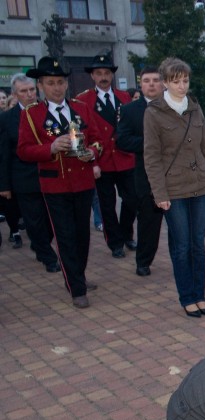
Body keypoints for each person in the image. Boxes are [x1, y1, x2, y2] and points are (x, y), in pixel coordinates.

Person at [17, 57, 103, 308]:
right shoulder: (32, 115)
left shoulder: (81, 108)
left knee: (82, 235)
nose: (56, 87)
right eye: (50, 83)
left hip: (83, 181)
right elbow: (24, 150)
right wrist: (51, 147)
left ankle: (77, 275)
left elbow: (98, 140)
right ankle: (76, 287)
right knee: (64, 235)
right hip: (54, 185)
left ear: (66, 84)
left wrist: (92, 153)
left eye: (60, 82)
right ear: (41, 86)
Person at [144, 57, 205, 317]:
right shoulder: (154, 112)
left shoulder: (194, 108)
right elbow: (152, 157)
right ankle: (187, 297)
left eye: (185, 80)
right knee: (182, 245)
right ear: (165, 83)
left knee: (198, 244)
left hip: (200, 185)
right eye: (176, 81)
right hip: (173, 189)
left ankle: (200, 295)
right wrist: (159, 193)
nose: (182, 86)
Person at [76, 53, 138, 259]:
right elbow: (83, 134)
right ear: (92, 76)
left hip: (124, 157)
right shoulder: (84, 100)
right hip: (102, 161)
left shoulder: (124, 97)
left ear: (112, 75)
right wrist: (92, 162)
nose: (103, 77)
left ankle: (127, 233)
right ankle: (115, 242)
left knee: (131, 200)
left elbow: (129, 127)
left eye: (107, 73)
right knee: (107, 205)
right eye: (99, 73)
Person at [0, 73, 59, 269]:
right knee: (33, 221)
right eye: (23, 91)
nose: (29, 94)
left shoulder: (48, 111)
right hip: (24, 179)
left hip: (50, 174)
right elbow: (4, 155)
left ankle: (40, 244)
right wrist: (5, 185)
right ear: (14, 94)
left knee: (51, 220)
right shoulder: (7, 119)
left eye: (32, 90)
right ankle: (48, 258)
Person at [116, 66, 164, 277]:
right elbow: (122, 140)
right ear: (141, 84)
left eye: (155, 80)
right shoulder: (129, 110)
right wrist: (150, 143)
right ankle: (143, 261)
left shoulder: (173, 107)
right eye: (147, 80)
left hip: (175, 174)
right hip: (146, 175)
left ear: (163, 84)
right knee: (149, 221)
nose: (151, 84)